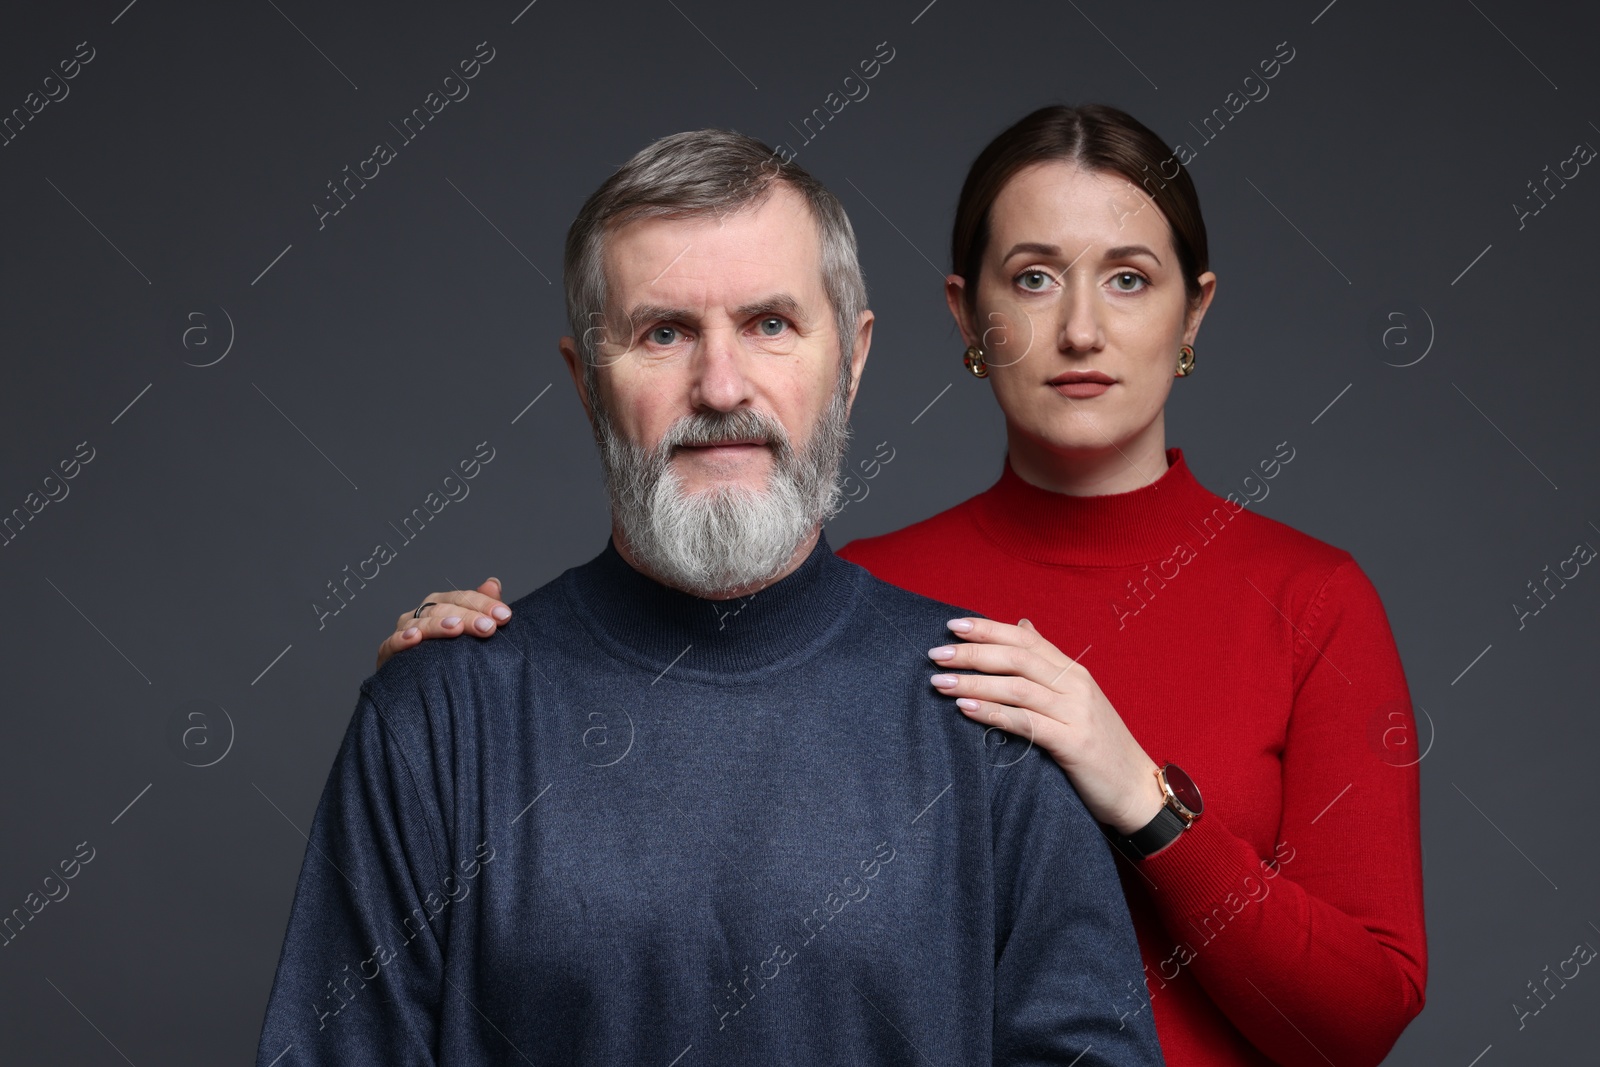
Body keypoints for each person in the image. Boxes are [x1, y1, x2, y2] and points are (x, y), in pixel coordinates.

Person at [381, 105, 1427, 1067]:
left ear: (1191, 312)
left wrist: (1142, 796)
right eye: (1030, 276)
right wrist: (459, 703)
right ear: (965, 315)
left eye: (1127, 276)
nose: (1078, 329)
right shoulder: (862, 593)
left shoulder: (1311, 599)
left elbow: (1361, 1011)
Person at [254, 128, 1165, 1066]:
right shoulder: (441, 722)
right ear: (586, 383)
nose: (721, 386)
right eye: (664, 333)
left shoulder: (990, 720)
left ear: (850, 363)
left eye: (770, 324)